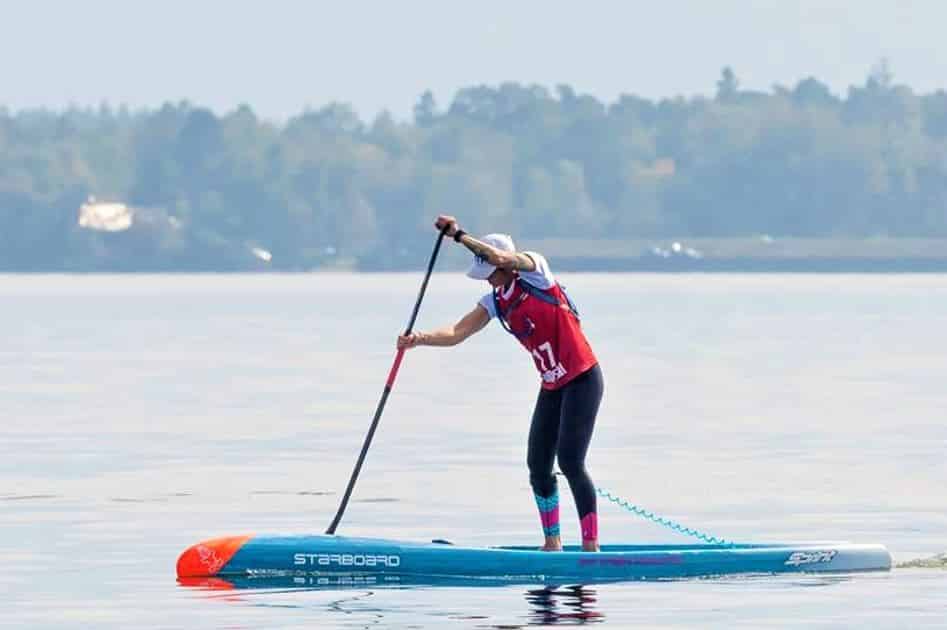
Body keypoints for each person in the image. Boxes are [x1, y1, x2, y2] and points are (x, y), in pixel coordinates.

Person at [397, 215, 604, 552]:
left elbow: (503, 258)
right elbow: (456, 333)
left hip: (582, 379)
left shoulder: (536, 272)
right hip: (552, 385)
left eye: (490, 274)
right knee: (538, 466)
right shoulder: (495, 301)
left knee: (569, 462)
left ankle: (591, 547)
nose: (488, 281)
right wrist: (417, 339)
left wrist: (459, 236)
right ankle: (552, 544)